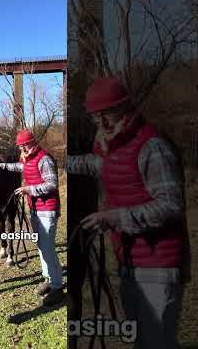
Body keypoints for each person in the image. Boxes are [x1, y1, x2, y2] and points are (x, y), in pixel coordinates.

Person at [67, 76, 190, 349]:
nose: (102, 123)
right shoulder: (116, 149)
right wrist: (58, 162)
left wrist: (113, 218)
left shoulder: (152, 147)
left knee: (157, 343)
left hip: (159, 265)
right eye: (95, 117)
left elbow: (171, 206)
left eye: (107, 114)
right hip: (130, 264)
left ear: (126, 108)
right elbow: (96, 165)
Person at [0, 129, 64, 306]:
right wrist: (0, 165)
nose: (22, 148)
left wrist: (28, 189)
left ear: (34, 142)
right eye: (20, 146)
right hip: (35, 209)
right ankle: (48, 279)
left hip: (47, 209)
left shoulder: (44, 159)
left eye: (25, 144)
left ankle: (57, 286)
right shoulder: (27, 159)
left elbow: (52, 185)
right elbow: (18, 167)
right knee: (41, 247)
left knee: (47, 248)